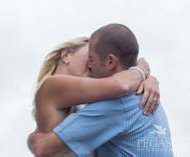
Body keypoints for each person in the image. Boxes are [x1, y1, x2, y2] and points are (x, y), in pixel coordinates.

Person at [28, 24, 173, 157]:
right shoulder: (53, 85)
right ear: (66, 55)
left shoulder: (109, 102)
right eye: (89, 55)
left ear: (110, 61)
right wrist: (141, 71)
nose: (91, 65)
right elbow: (120, 84)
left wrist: (147, 77)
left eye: (93, 57)